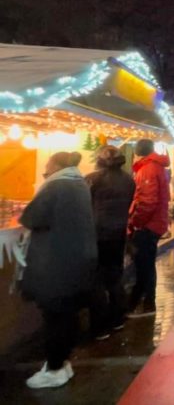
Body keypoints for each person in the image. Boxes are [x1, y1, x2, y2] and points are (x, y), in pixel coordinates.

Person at [20, 152, 97, 389]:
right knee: (66, 315)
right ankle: (61, 364)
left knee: (55, 317)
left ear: (55, 165)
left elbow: (31, 217)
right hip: (76, 260)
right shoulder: (79, 184)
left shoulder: (55, 186)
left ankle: (53, 368)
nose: (44, 170)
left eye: (46, 166)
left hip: (57, 263)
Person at [86, 146, 136, 339]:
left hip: (97, 234)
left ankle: (99, 327)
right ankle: (117, 319)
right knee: (115, 277)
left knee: (96, 281)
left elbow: (86, 204)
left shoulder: (93, 179)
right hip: (118, 233)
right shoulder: (128, 180)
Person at [127, 139, 170, 317]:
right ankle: (141, 302)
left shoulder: (147, 169)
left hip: (147, 225)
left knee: (144, 266)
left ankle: (146, 304)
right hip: (155, 223)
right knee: (146, 265)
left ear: (137, 152)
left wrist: (136, 222)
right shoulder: (156, 167)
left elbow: (147, 201)